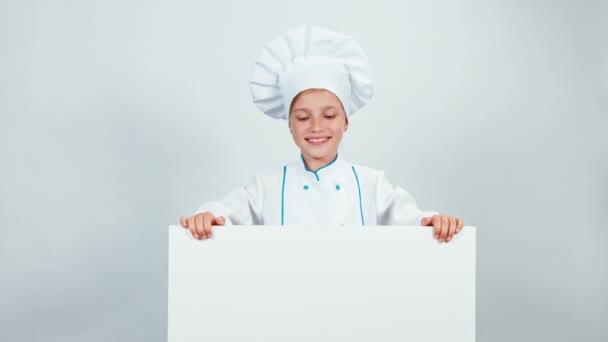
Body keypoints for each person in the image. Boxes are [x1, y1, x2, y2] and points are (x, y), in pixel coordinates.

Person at [179, 25, 464, 242]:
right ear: (290, 124)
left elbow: (413, 219)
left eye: (329, 115)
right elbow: (223, 212)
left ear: (345, 122)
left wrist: (434, 221)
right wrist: (206, 215)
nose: (316, 126)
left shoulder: (371, 183)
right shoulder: (266, 186)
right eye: (303, 117)